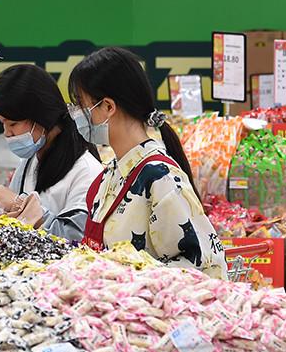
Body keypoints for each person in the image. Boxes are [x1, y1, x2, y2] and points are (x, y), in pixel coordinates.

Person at [68, 47, 227, 277]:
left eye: (80, 105)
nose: (75, 114)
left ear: (108, 107)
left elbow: (204, 270)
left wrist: (125, 276)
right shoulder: (109, 175)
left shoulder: (161, 178)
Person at [0, 64, 103, 242]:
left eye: (12, 124)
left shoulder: (86, 170)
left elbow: (76, 238)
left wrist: (21, 205)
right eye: (3, 124)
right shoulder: (31, 160)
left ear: (40, 116)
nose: (7, 133)